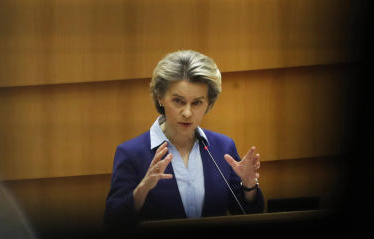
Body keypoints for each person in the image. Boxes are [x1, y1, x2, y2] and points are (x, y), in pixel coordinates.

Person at [104, 50, 264, 226]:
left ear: (209, 103)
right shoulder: (131, 153)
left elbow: (246, 216)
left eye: (197, 103)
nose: (187, 113)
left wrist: (249, 186)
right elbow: (112, 223)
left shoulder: (223, 148)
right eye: (178, 101)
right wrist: (142, 190)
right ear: (160, 97)